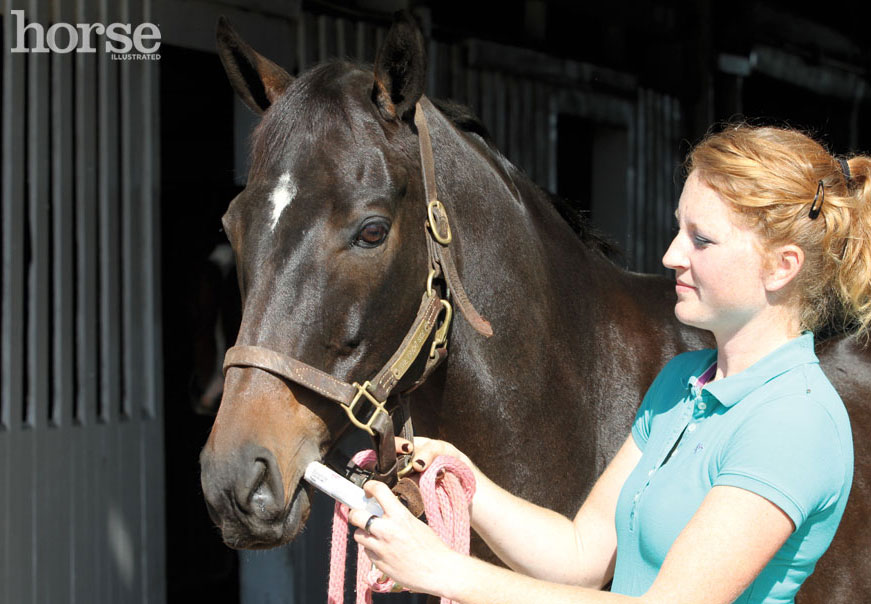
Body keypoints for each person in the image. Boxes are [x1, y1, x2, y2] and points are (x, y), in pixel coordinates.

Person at [348, 124, 869, 603]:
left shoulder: (794, 422)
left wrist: (442, 570)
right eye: (679, 230)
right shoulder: (681, 382)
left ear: (782, 267)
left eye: (701, 239)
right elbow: (579, 557)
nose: (670, 255)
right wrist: (460, 475)